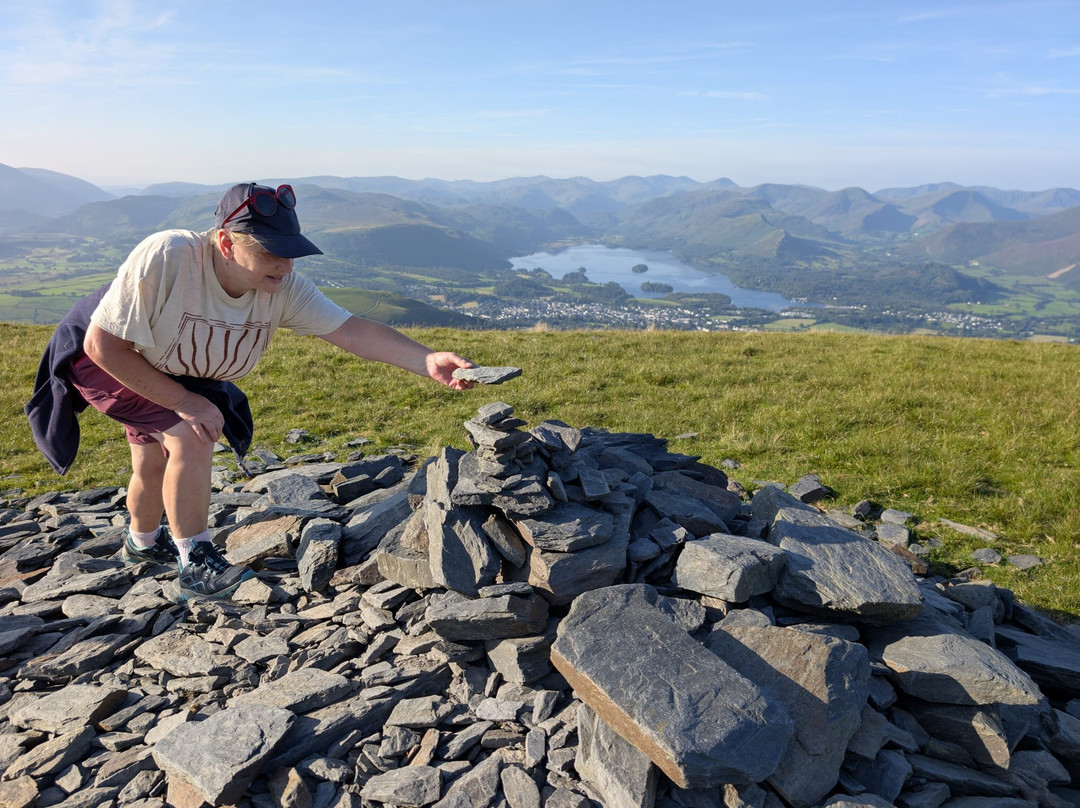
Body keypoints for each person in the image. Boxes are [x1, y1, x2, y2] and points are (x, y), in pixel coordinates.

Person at [26, 182, 475, 600]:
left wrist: (426, 359)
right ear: (225, 243)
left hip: (164, 362)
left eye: (292, 252)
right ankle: (196, 563)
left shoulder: (281, 288)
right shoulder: (171, 255)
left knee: (152, 456)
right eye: (272, 252)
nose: (286, 264)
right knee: (190, 433)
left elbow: (352, 331)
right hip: (105, 354)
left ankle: (142, 543)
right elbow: (102, 345)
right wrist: (185, 402)